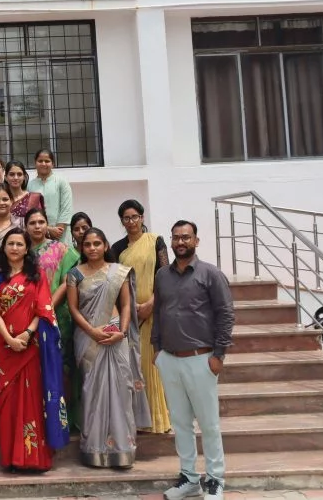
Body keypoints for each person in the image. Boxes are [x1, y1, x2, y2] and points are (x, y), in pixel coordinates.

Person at [154, 221, 235, 500]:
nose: (180, 242)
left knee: (208, 424)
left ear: (196, 241)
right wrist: (157, 350)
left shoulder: (211, 274)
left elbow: (226, 314)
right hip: (170, 359)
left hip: (202, 359)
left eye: (186, 237)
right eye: (176, 237)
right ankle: (189, 478)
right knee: (180, 423)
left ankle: (215, 479)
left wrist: (219, 354)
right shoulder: (162, 275)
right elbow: (158, 312)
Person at [67, 227, 151, 469]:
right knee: (92, 393)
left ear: (105, 246)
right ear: (81, 248)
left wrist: (121, 332)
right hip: (88, 337)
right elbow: (73, 309)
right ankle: (94, 451)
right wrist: (91, 331)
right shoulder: (75, 274)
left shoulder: (118, 272)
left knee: (120, 391)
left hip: (115, 334)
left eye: (97, 243)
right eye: (87, 244)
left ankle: (122, 451)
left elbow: (126, 306)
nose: (92, 248)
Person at [0, 228, 65, 472]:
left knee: (31, 399)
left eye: (19, 244)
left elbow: (44, 308)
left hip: (30, 346)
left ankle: (33, 459)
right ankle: (11, 458)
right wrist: (9, 338)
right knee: (8, 404)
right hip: (3, 347)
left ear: (26, 248)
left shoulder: (36, 275)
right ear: (4, 248)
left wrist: (27, 334)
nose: (14, 248)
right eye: (10, 243)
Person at [111, 199, 171, 435]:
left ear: (142, 217)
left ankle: (158, 419)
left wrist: (151, 304)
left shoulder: (156, 241)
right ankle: (138, 419)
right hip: (131, 313)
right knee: (136, 367)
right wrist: (130, 307)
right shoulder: (117, 248)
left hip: (155, 311)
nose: (131, 221)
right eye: (126, 218)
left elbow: (164, 275)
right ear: (122, 221)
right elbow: (116, 281)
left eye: (135, 217)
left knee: (153, 366)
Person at [26, 207, 82, 429]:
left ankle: (65, 420)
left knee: (61, 368)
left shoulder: (61, 249)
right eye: (32, 223)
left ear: (47, 225)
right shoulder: (21, 250)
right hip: (27, 319)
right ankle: (39, 419)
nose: (37, 226)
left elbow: (68, 279)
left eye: (41, 222)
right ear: (26, 226)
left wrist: (47, 307)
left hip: (57, 317)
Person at [27, 149, 74, 246]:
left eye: (47, 161)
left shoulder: (61, 182)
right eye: (40, 161)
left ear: (53, 164)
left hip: (61, 234)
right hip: (38, 234)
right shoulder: (30, 185)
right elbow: (30, 212)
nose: (43, 164)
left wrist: (57, 231)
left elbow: (66, 209)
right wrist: (47, 229)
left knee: (62, 254)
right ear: (35, 163)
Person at [4, 160, 45, 226]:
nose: (16, 178)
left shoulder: (33, 198)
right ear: (5, 177)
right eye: (12, 174)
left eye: (19, 174)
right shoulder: (0, 199)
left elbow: (40, 222)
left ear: (24, 177)